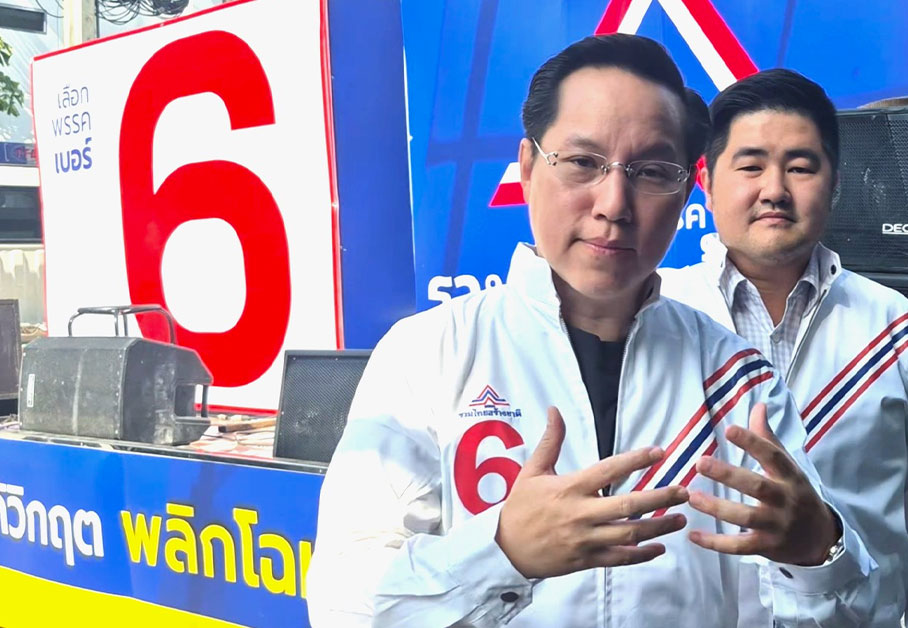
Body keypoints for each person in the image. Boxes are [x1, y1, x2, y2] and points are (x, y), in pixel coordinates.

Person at [306, 36, 878, 627]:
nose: (614, 203)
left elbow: (839, 614)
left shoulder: (739, 382)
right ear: (528, 167)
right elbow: (343, 605)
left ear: (685, 191)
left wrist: (820, 554)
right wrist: (501, 553)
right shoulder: (431, 353)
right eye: (582, 162)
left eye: (651, 171)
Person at [659, 68, 908, 627]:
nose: (774, 190)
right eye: (751, 165)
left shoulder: (900, 332)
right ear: (706, 183)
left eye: (800, 167)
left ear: (834, 185)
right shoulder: (658, 317)